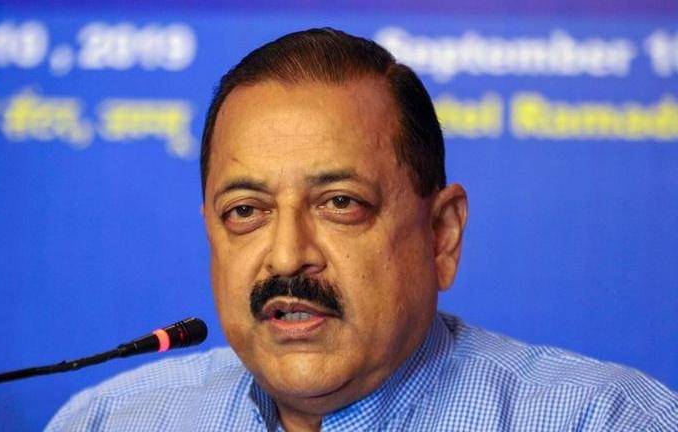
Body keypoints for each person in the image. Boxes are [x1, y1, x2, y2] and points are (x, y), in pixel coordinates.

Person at [46, 28, 677, 431]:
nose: (287, 257)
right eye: (246, 211)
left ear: (442, 235)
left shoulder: (607, 420)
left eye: (340, 203)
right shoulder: (108, 420)